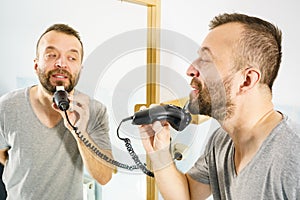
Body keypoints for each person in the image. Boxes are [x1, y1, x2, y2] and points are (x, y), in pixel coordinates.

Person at [139, 13, 300, 199]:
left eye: (206, 60)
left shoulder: (293, 156)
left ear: (246, 80)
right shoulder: (220, 142)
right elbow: (187, 196)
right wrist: (159, 152)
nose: (191, 70)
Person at [0, 24, 114, 199]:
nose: (61, 63)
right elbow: (2, 154)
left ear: (80, 69)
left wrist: (80, 132)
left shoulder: (95, 111)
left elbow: (104, 176)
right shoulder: (7, 106)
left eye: (72, 58)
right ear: (36, 65)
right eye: (51, 55)